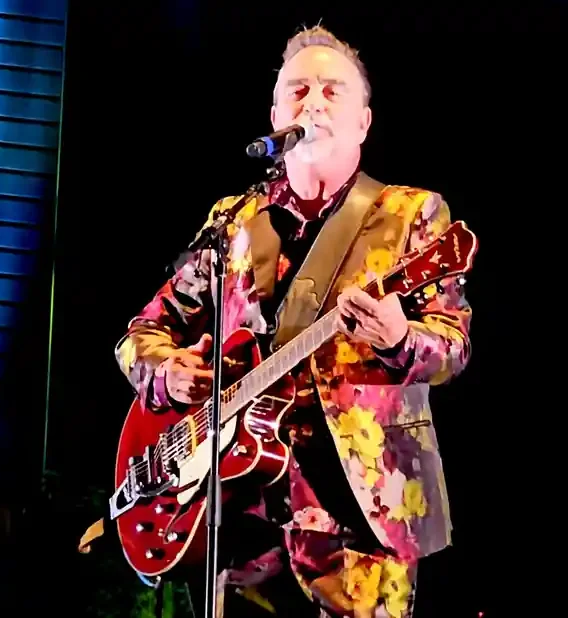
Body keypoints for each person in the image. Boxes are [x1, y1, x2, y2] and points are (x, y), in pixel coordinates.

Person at [83, 25, 472, 618]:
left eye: (332, 90)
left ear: (364, 122)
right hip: (238, 518)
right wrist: (168, 375)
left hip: (363, 517)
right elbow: (140, 335)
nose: (313, 100)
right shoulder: (234, 222)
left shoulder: (410, 215)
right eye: (298, 89)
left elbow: (452, 345)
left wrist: (399, 339)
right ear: (273, 115)